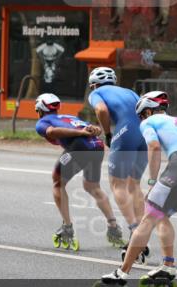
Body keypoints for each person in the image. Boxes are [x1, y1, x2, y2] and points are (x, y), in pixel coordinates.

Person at [93, 90, 177, 287]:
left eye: (142, 115)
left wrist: (152, 181)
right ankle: (168, 265)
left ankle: (121, 273)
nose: (141, 120)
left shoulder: (149, 122)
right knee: (162, 216)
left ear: (148, 111)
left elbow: (153, 146)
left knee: (148, 218)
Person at [34, 92, 120, 251]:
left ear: (39, 110)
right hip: (97, 146)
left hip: (80, 147)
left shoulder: (42, 122)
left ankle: (67, 227)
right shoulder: (68, 117)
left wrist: (80, 133)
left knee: (57, 182)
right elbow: (93, 129)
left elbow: (52, 132)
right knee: (92, 186)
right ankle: (113, 227)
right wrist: (94, 129)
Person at [87, 66, 146, 249]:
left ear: (94, 84)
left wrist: (107, 133)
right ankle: (142, 231)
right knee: (134, 185)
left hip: (125, 133)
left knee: (117, 184)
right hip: (144, 133)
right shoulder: (129, 91)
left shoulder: (97, 93)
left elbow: (101, 110)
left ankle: (135, 232)